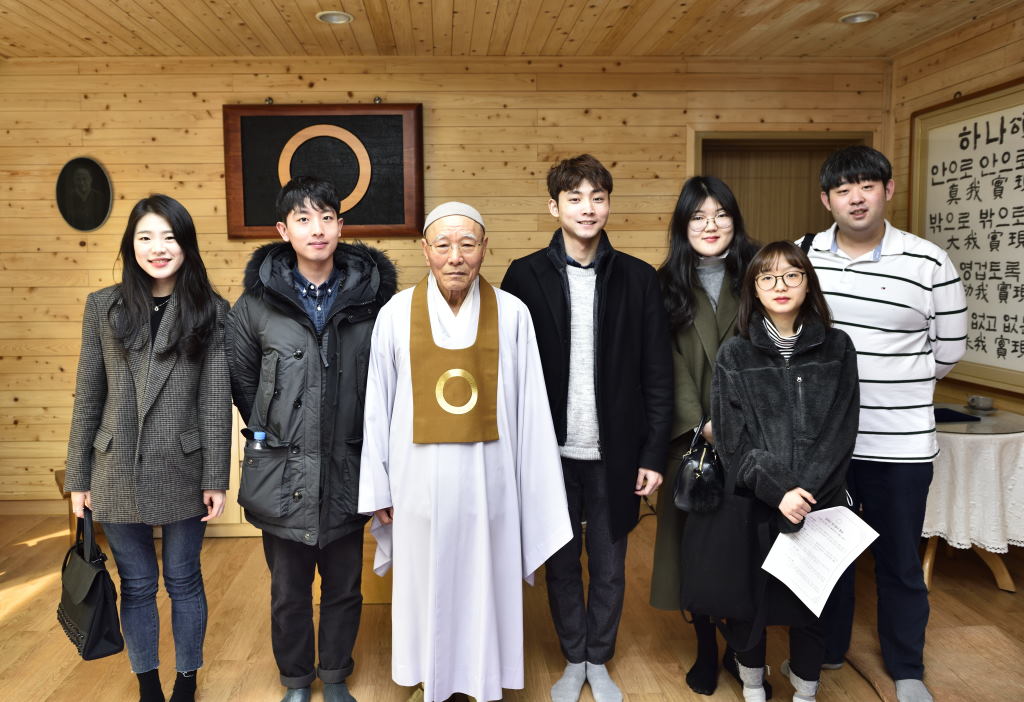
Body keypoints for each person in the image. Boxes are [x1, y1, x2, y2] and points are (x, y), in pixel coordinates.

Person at [359, 201, 572, 702]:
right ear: (425, 250)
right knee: (425, 586)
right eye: (443, 245)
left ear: (484, 249)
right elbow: (377, 406)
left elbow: (532, 409)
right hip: (417, 488)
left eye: (467, 244)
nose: (455, 256)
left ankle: (482, 681)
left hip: (490, 486)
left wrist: (531, 488)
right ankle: (428, 680)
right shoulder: (395, 315)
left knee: (484, 584)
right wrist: (379, 486)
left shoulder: (513, 314)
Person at [502, 154, 673, 702]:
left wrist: (653, 454)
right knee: (560, 564)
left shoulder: (638, 278)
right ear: (554, 207)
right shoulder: (524, 275)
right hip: (547, 453)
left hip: (614, 453)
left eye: (598, 197)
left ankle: (598, 658)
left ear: (608, 204)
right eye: (574, 198)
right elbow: (507, 373)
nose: (587, 208)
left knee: (610, 565)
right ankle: (572, 656)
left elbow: (658, 373)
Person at [226, 176, 397, 702]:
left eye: (326, 217)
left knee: (345, 587)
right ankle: (297, 681)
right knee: (288, 591)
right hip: (282, 473)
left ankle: (337, 675)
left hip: (349, 466)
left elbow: (392, 383)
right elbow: (243, 382)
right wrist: (276, 432)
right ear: (284, 230)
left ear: (341, 226)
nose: (316, 229)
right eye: (303, 219)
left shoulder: (376, 303)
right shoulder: (254, 306)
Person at [809, 146, 968, 702]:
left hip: (900, 446)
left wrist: (891, 385)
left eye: (867, 186)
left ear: (888, 190)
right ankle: (825, 651)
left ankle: (906, 668)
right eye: (843, 189)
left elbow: (949, 352)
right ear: (826, 200)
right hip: (825, 446)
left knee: (898, 562)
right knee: (826, 558)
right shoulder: (805, 255)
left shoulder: (929, 262)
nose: (856, 198)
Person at [64, 194, 232, 702]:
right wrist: (78, 478)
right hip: (114, 465)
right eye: (145, 237)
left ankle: (186, 681)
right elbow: (88, 394)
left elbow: (215, 399)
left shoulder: (211, 310)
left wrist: (216, 477)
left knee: (183, 579)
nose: (158, 248)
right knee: (136, 584)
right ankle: (148, 686)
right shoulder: (103, 306)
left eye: (169, 237)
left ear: (186, 245)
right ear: (131, 245)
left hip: (183, 465)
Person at [708, 240, 860, 702]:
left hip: (819, 503)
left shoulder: (837, 347)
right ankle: (753, 686)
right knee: (750, 603)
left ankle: (806, 691)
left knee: (812, 603)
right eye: (767, 276)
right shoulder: (735, 353)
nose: (780, 285)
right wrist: (779, 491)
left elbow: (842, 429)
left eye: (792, 274)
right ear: (753, 288)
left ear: (807, 283)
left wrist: (802, 493)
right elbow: (732, 440)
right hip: (756, 500)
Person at [649, 176, 760, 696]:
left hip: (754, 434)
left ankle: (743, 648)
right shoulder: (663, 283)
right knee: (694, 550)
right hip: (692, 440)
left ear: (735, 220)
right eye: (698, 217)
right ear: (683, 225)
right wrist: (702, 422)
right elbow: (661, 362)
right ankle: (705, 648)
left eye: (720, 214)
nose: (710, 225)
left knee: (746, 548)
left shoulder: (760, 272)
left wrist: (741, 422)